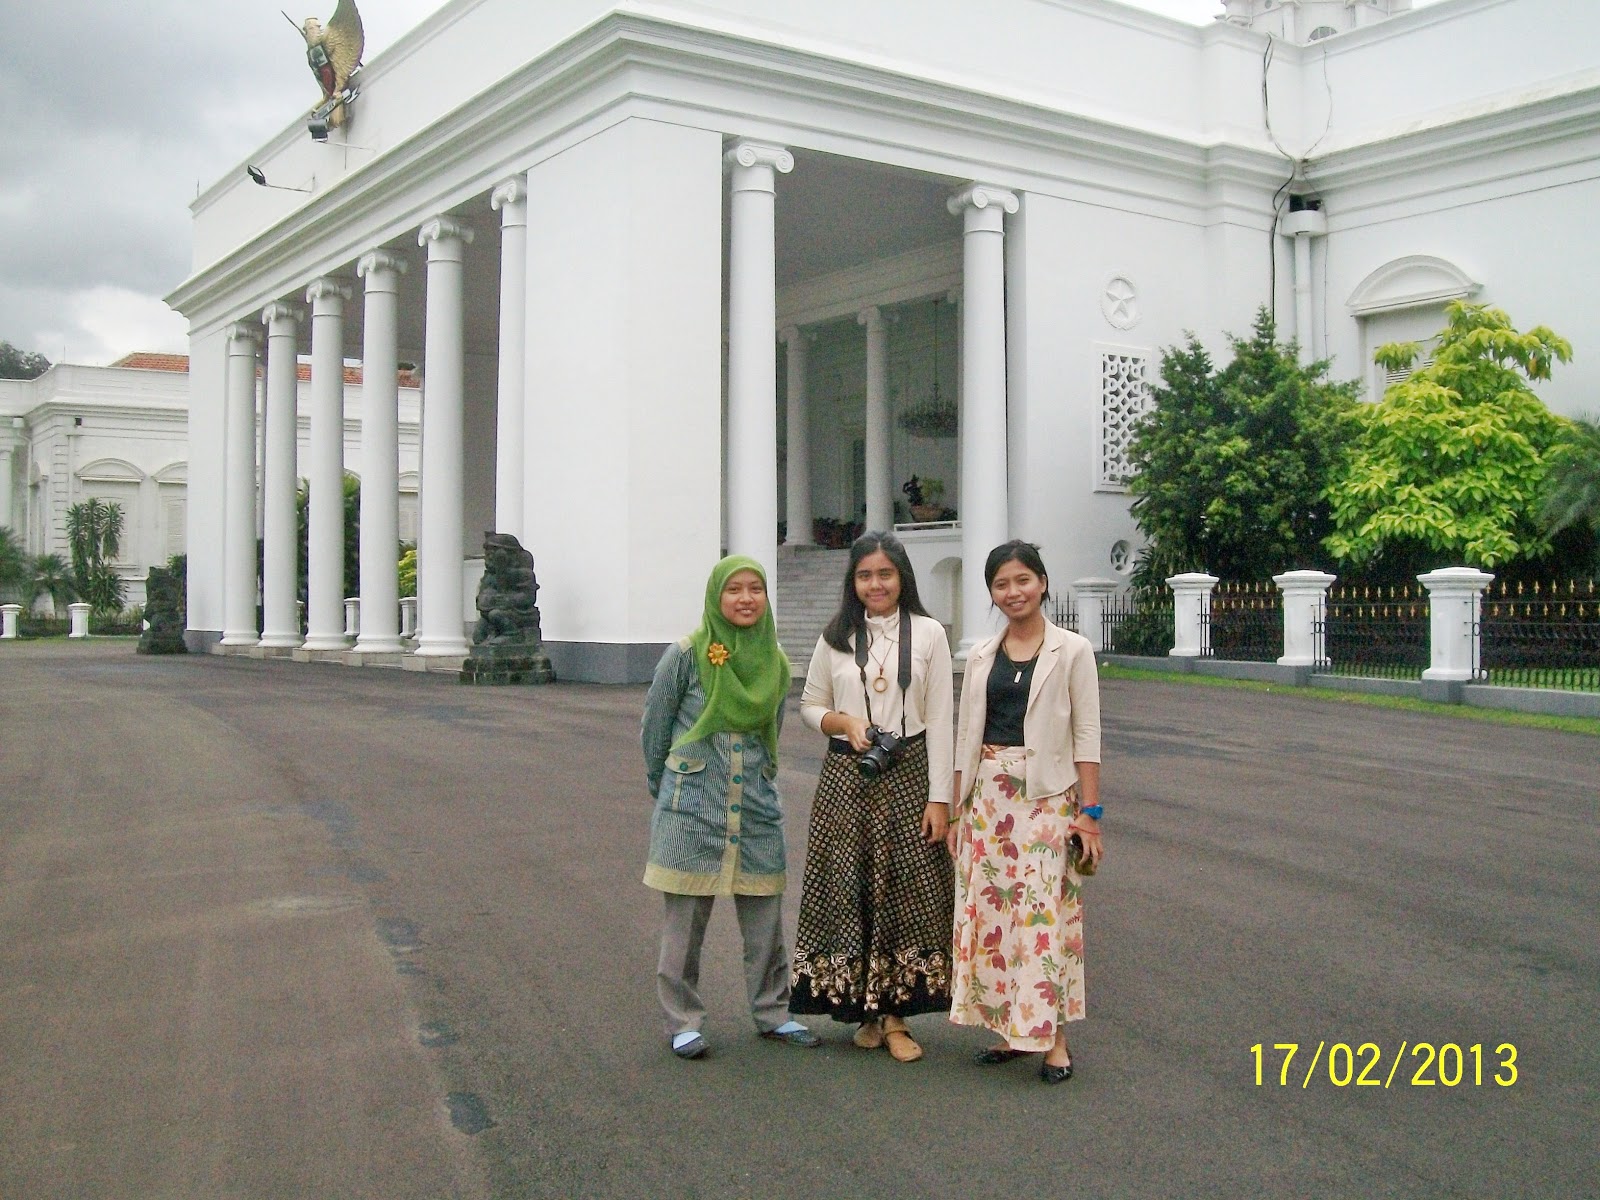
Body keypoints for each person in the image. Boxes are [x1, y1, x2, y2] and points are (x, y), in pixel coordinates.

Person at [642, 555, 821, 1059]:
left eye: (755, 589)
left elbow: (771, 733)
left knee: (765, 919)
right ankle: (683, 1021)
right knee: (685, 922)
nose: (746, 599)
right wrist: (666, 784)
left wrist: (762, 777)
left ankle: (773, 1012)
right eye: (734, 589)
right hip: (692, 807)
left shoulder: (775, 659)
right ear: (716, 596)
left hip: (756, 806)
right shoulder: (685, 655)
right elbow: (655, 728)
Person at [790, 531, 955, 1062]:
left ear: (902, 576)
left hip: (909, 772)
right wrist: (843, 722)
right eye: (865, 575)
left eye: (885, 573)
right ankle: (867, 1013)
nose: (875, 584)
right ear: (853, 581)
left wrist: (941, 799)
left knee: (908, 889)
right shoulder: (836, 635)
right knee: (850, 885)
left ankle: (896, 1016)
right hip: (847, 775)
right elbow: (809, 705)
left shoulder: (928, 633)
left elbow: (941, 720)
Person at [947, 540, 1104, 1085]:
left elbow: (1087, 734)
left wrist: (1090, 812)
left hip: (1046, 801)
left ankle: (1054, 1038)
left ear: (1042, 582)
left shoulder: (1073, 650)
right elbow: (966, 735)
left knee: (1041, 918)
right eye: (1001, 584)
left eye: (1023, 580)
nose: (1013, 592)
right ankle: (1011, 1029)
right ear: (991, 593)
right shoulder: (981, 655)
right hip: (987, 801)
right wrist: (957, 810)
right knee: (995, 917)